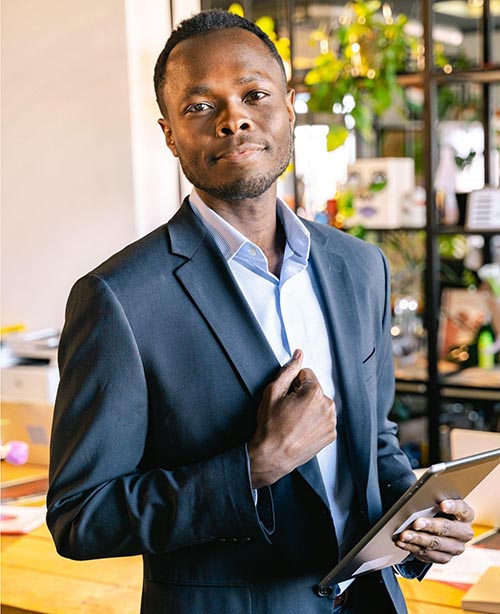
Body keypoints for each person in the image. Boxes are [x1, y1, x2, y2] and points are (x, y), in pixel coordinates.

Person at [47, 9, 474, 614]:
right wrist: (252, 466)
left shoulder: (361, 266)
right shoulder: (118, 298)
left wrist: (422, 524)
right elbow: (78, 517)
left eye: (254, 93)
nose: (234, 118)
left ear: (290, 105)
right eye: (200, 107)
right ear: (169, 134)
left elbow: (373, 445)